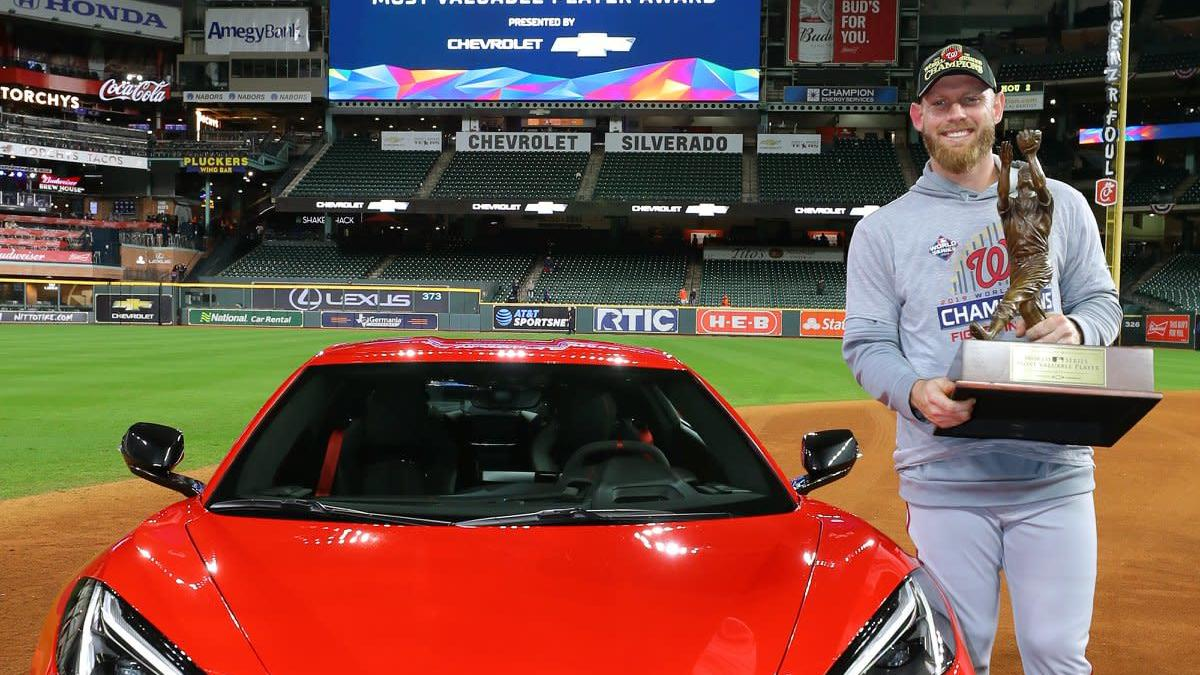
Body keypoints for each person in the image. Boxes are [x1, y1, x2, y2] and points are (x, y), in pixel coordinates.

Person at [842, 44, 1120, 675]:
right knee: (960, 659)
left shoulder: (1062, 204)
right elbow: (867, 344)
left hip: (1052, 473)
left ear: (996, 107)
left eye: (970, 99)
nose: (956, 114)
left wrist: (1079, 328)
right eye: (940, 103)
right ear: (919, 117)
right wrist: (913, 390)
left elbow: (1103, 304)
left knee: (1056, 654)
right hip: (944, 480)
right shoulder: (883, 230)